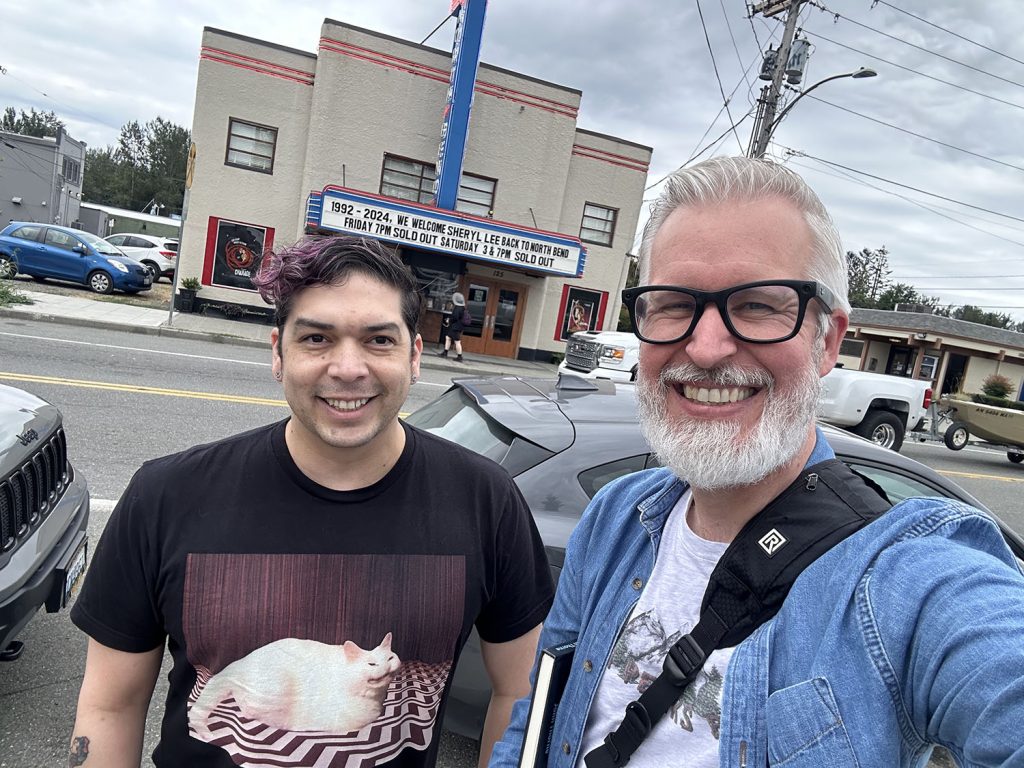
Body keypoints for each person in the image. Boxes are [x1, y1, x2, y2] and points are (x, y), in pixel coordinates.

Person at [490, 157, 1024, 768]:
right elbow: (538, 718)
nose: (706, 347)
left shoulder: (906, 580)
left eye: (759, 306)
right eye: (670, 304)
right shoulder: (616, 516)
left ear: (826, 341)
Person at [69, 235, 554, 768]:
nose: (348, 368)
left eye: (378, 341)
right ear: (278, 353)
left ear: (415, 356)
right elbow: (111, 706)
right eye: (317, 338)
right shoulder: (164, 495)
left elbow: (518, 693)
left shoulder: (487, 500)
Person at [438, 290, 469, 362]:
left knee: (457, 341)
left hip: (455, 327)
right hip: (458, 326)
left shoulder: (457, 308)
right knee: (448, 337)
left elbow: (455, 317)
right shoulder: (463, 307)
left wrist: (449, 320)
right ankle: (445, 352)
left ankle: (459, 356)